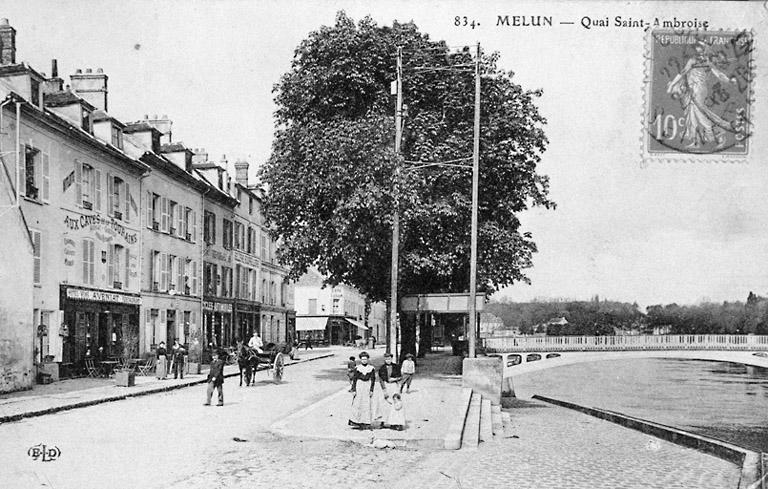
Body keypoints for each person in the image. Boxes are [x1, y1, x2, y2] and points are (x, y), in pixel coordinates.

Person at [666, 41, 736, 150]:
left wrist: (729, 80)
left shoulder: (705, 61)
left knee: (699, 113)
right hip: (692, 90)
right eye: (697, 48)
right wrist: (672, 85)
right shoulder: (694, 60)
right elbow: (683, 72)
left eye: (700, 48)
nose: (698, 50)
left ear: (704, 50)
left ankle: (714, 133)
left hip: (699, 90)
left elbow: (718, 74)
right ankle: (696, 141)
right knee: (692, 114)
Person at [348, 351, 375, 429]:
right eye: (362, 359)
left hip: (367, 385)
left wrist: (371, 390)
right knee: (358, 403)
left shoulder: (371, 368)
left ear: (368, 359)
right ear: (360, 360)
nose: (364, 361)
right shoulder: (358, 368)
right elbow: (355, 379)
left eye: (365, 359)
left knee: (366, 404)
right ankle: (356, 421)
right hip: (359, 386)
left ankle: (366, 422)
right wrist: (354, 389)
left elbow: (373, 380)